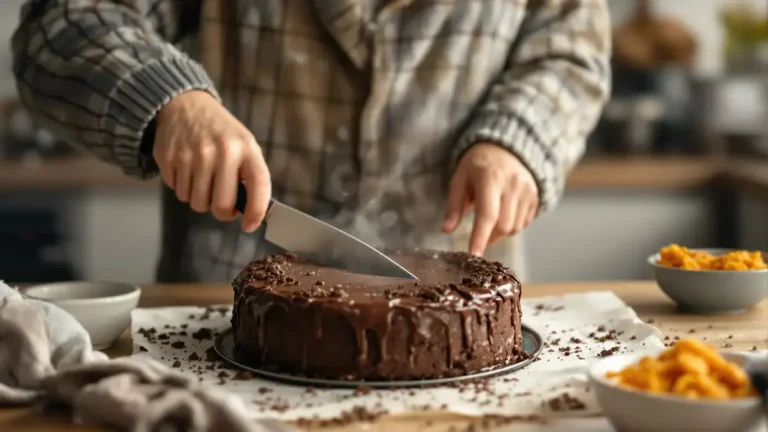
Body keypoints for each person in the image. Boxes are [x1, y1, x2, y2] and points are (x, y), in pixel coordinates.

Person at [12, 0, 610, 283]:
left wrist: (518, 138)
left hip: (462, 315)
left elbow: (571, 53)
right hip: (219, 319)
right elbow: (62, 21)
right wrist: (171, 100)